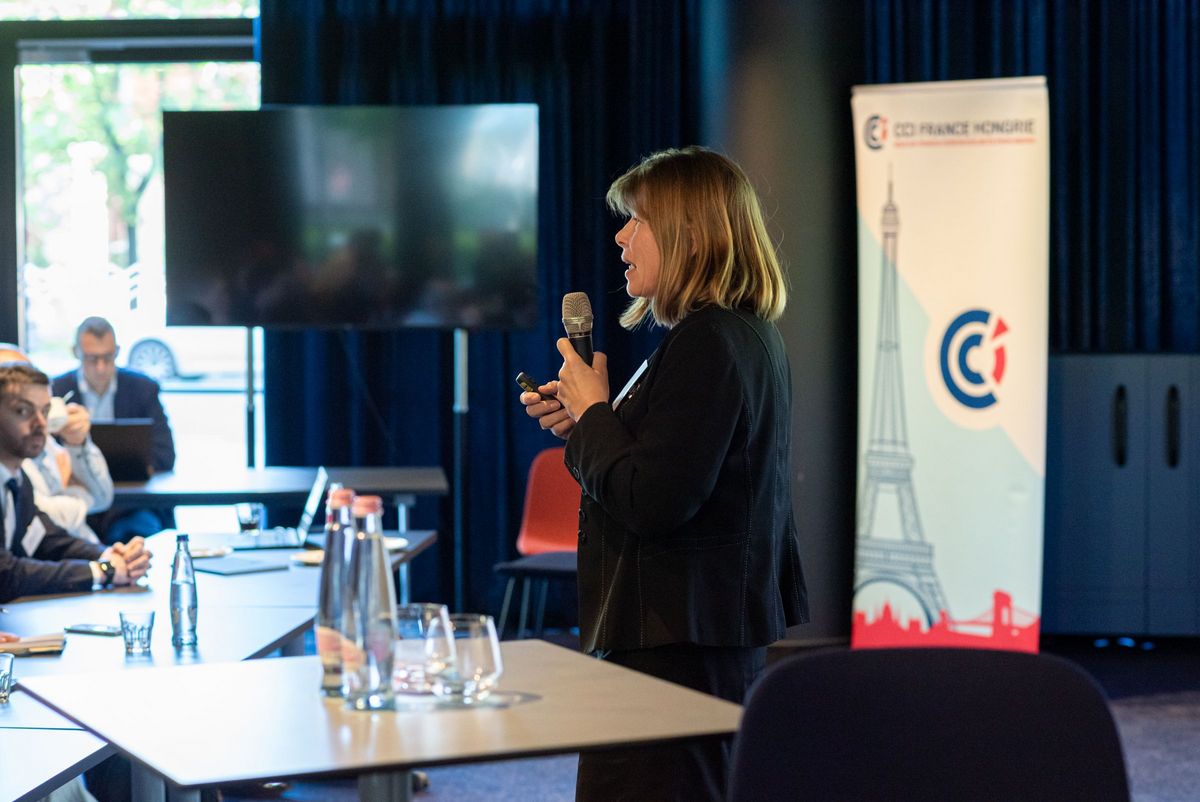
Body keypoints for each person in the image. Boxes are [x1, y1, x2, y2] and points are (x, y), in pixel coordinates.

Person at [521, 146, 809, 801]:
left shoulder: (707, 342)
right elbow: (670, 466)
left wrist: (595, 413)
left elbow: (653, 499)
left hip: (675, 641)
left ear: (692, 232)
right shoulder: (738, 333)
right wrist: (585, 422)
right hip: (692, 633)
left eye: (638, 221)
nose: (621, 237)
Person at [0, 362, 150, 604]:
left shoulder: (17, 478)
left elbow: (44, 538)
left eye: (45, 411)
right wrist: (102, 571)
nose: (41, 423)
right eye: (24, 411)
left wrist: (107, 556)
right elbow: (5, 574)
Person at [52, 317, 175, 542]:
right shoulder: (57, 391)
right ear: (76, 352)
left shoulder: (143, 388)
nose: (101, 367)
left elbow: (165, 454)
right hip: (78, 500)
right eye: (92, 359)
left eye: (108, 357)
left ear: (117, 351)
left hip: (132, 503)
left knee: (134, 531)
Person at [0, 344, 112, 543]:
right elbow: (42, 516)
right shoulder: (13, 448)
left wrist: (77, 444)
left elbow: (103, 497)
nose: (39, 421)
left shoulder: (40, 437)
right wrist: (81, 495)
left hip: (81, 548)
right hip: (55, 557)